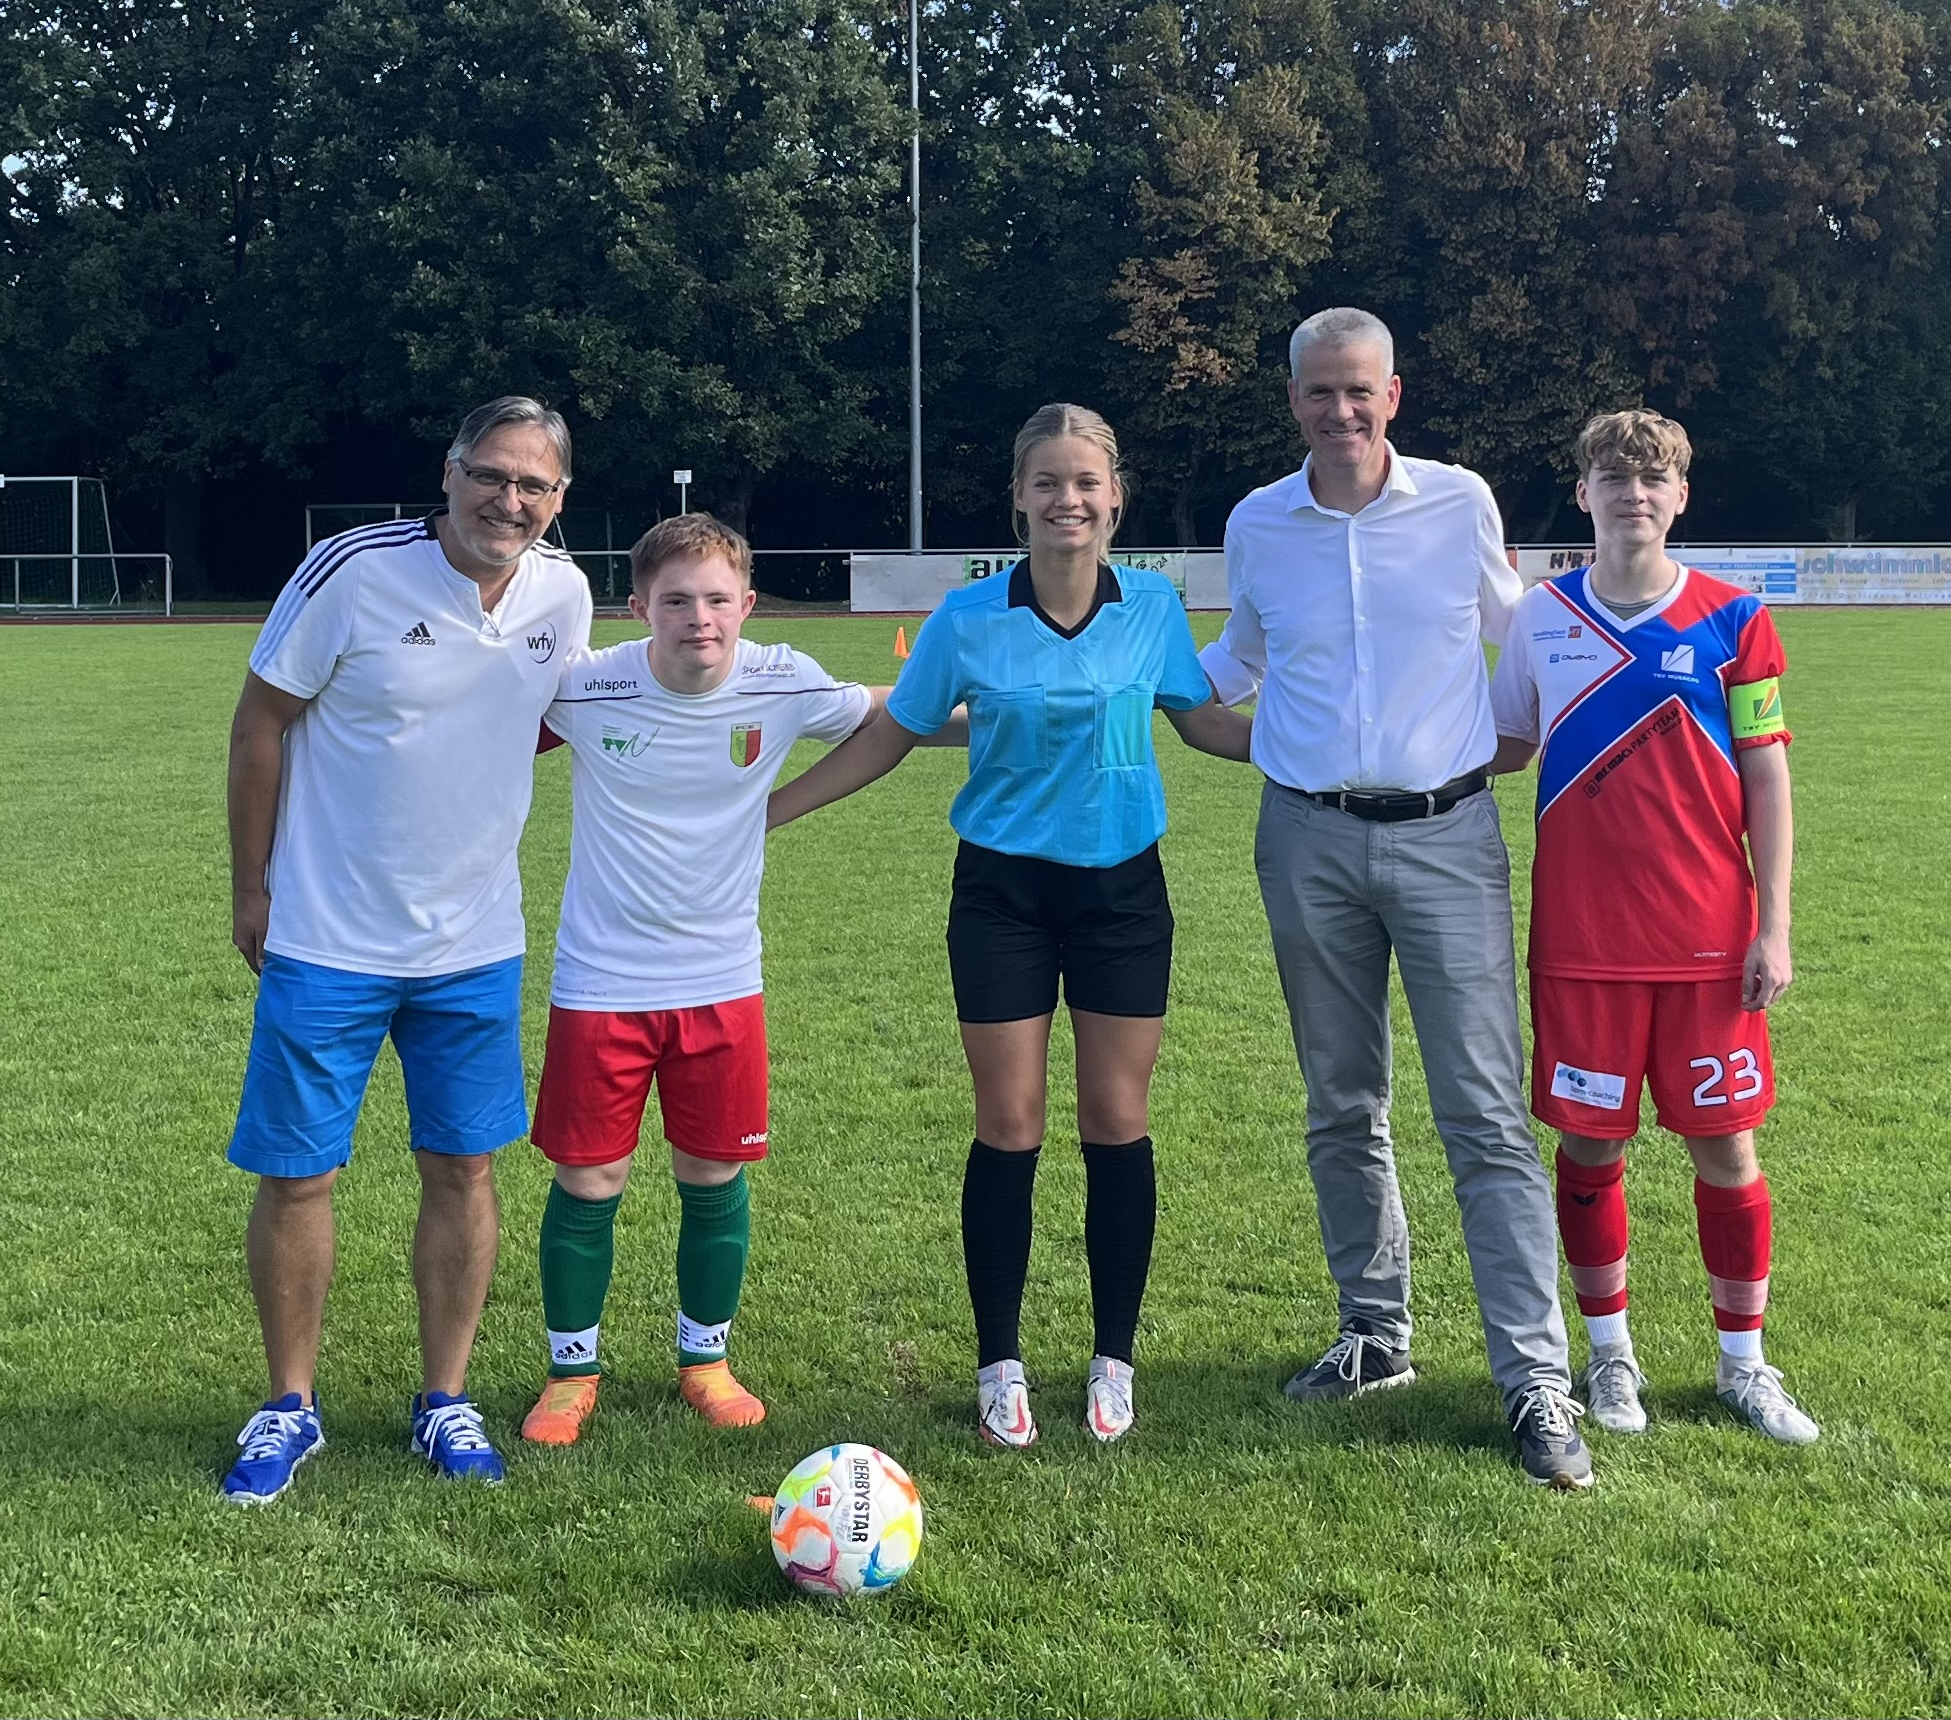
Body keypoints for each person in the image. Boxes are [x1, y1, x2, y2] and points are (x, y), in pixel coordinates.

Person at [767, 402, 1253, 1447]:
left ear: (1114, 497)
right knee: (1009, 1122)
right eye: (1047, 482)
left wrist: (1332, 746)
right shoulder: (967, 616)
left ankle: (1113, 1359)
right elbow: (893, 735)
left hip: (1124, 893)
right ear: (1019, 500)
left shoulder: (1153, 606)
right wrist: (768, 812)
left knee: (1117, 1118)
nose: (1067, 499)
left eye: (1085, 482)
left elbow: (1204, 722)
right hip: (1002, 896)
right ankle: (1000, 1364)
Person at [1199, 307, 1594, 1490]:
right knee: (1341, 1102)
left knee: (1484, 1114)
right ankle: (1375, 1334)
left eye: (1358, 389)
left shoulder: (1459, 503)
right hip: (1306, 840)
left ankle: (1536, 1380)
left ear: (1393, 394)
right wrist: (1117, 684)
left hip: (1447, 838)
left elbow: (1525, 638)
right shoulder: (1258, 523)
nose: (1340, 410)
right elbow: (1237, 664)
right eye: (1319, 392)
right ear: (1293, 401)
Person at [218, 395, 595, 1503]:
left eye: (532, 485)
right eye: (490, 474)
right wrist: (252, 884)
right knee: (299, 1173)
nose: (507, 500)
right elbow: (260, 721)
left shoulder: (564, 593)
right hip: (325, 936)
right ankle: (289, 1405)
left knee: (464, 1166)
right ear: (449, 472)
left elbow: (545, 718)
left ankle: (446, 1398)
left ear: (559, 499)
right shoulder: (352, 570)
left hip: (475, 943)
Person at [517, 513, 946, 1445]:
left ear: (747, 604)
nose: (698, 618)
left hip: (721, 981)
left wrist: (1036, 708)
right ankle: (570, 1372)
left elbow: (900, 712)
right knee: (588, 1178)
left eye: (717, 599)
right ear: (638, 608)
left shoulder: (782, 679)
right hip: (600, 983)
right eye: (675, 600)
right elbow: (472, 722)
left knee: (712, 1173)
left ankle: (704, 1360)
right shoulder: (585, 687)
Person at [1489, 409, 1818, 1445]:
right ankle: (1609, 1357)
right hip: (1583, 942)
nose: (1633, 492)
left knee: (1727, 1150)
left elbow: (1768, 778)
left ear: (1680, 497)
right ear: (1582, 493)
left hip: (1711, 941)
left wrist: (1774, 926)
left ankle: (1743, 1364)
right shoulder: (1539, 617)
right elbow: (1499, 745)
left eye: (1653, 477)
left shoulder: (1735, 620)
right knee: (1589, 1149)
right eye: (1613, 476)